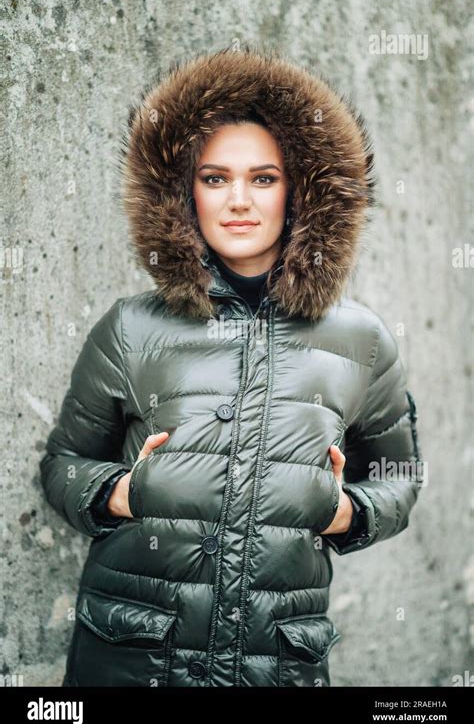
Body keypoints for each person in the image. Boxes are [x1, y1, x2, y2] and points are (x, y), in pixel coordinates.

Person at [39, 45, 423, 688]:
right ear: (182, 190)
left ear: (302, 189)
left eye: (264, 178)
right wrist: (118, 493)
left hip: (276, 664)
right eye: (215, 178)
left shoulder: (362, 339)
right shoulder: (131, 327)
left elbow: (400, 473)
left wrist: (346, 512)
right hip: (135, 658)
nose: (238, 200)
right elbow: (62, 466)